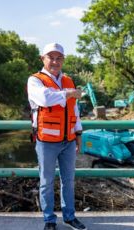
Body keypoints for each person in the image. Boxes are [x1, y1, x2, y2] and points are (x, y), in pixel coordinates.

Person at [27, 43, 87, 230]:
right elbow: (45, 98)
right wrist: (69, 93)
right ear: (42, 59)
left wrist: (78, 132)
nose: (55, 61)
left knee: (68, 181)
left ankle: (69, 217)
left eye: (58, 58)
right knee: (46, 182)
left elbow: (74, 110)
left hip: (68, 140)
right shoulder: (35, 80)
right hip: (46, 141)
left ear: (63, 60)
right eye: (50, 57)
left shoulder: (68, 80)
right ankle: (49, 220)